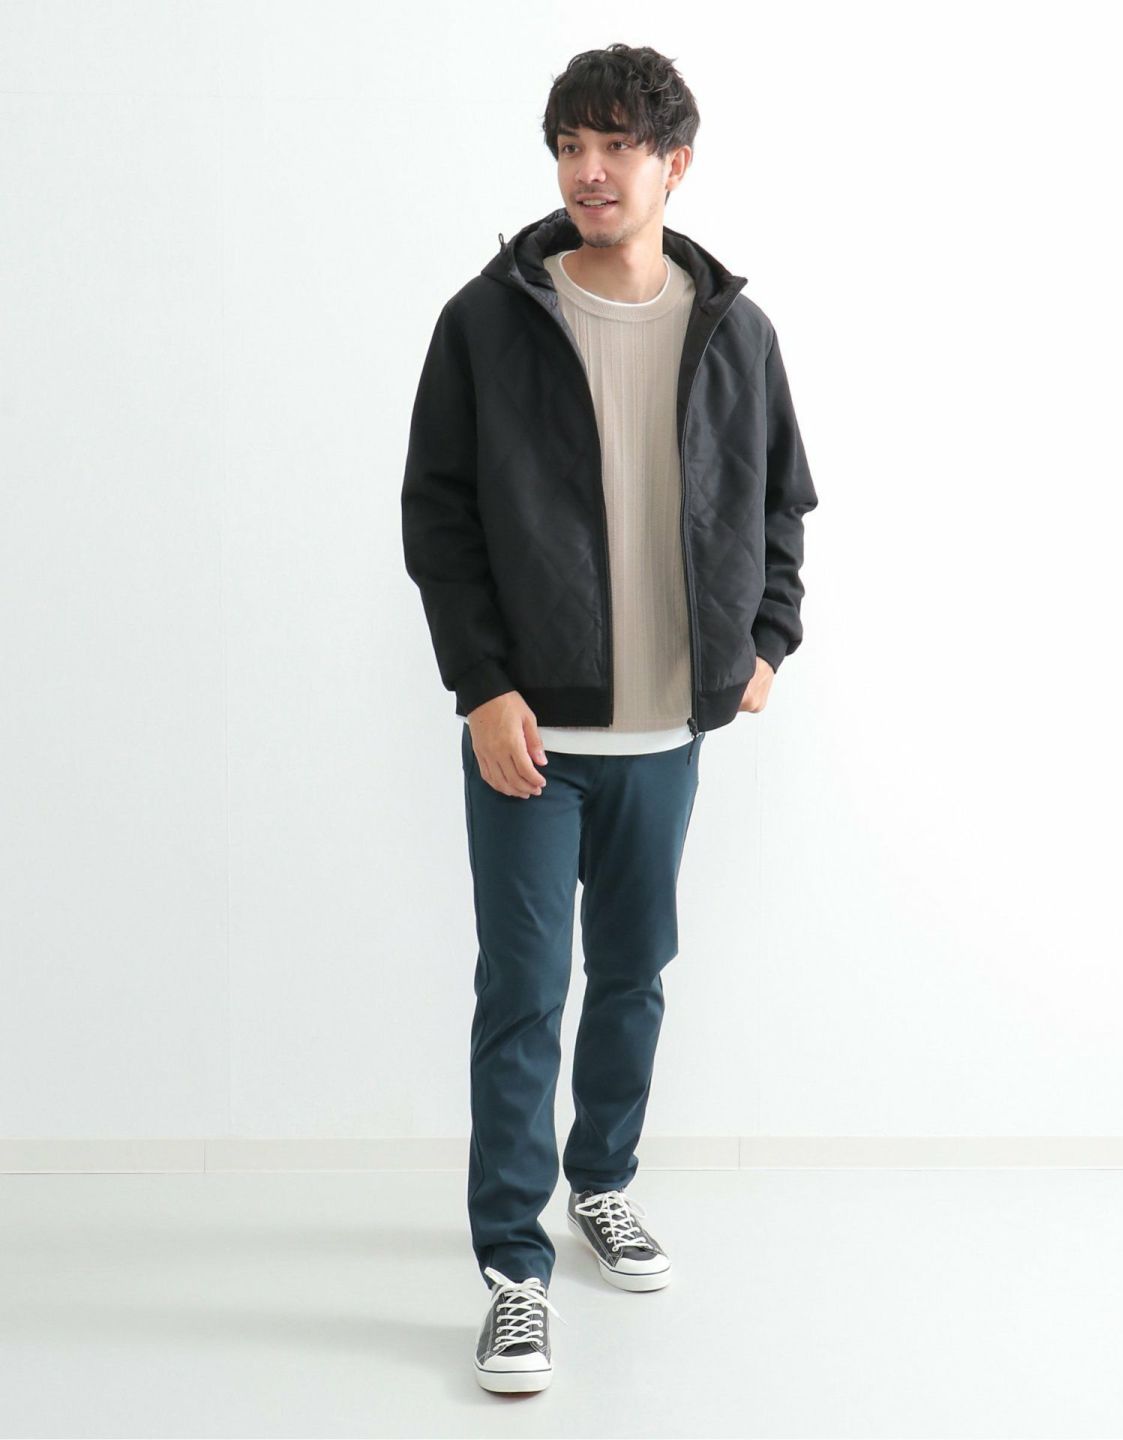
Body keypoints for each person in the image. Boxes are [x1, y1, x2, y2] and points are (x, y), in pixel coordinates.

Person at [400, 42, 818, 1393]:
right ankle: (512, 1273)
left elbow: (782, 502)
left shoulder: (734, 329)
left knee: (634, 976)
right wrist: (483, 687)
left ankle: (603, 1183)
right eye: (570, 146)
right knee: (524, 995)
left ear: (672, 163)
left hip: (665, 735)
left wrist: (766, 641)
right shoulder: (488, 320)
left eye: (617, 146)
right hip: (530, 733)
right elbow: (438, 517)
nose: (589, 171)